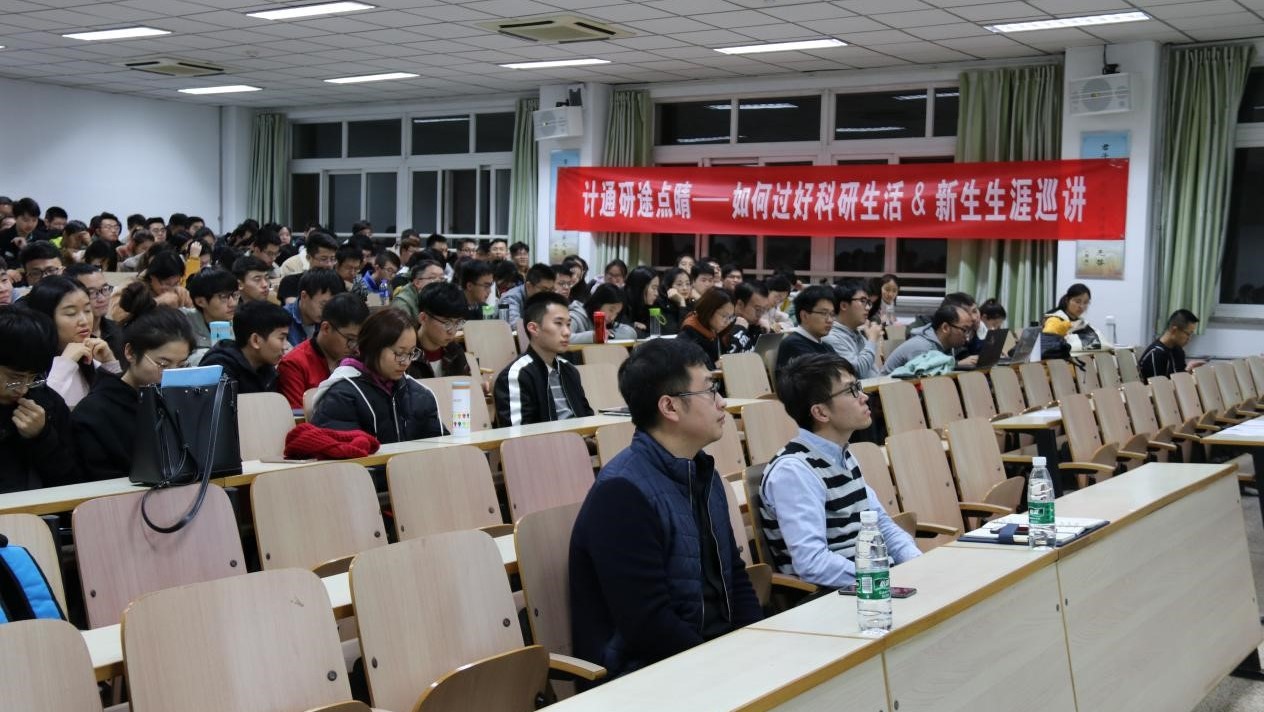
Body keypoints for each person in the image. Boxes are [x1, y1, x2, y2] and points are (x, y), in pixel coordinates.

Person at [569, 337, 761, 683]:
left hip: (709, 658)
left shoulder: (703, 472)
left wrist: (757, 647)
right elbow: (647, 624)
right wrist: (723, 668)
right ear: (670, 407)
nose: (722, 401)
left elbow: (734, 575)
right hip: (649, 675)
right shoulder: (622, 494)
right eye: (710, 390)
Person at [761, 353, 920, 587]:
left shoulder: (842, 455)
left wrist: (918, 565)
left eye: (858, 386)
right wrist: (882, 578)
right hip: (841, 594)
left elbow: (882, 525)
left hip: (874, 582)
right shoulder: (794, 471)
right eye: (851, 391)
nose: (864, 397)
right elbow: (813, 563)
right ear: (821, 413)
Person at [72, 302, 196, 480]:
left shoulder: (183, 398)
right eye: (163, 364)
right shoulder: (93, 413)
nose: (172, 375)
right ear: (130, 352)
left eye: (182, 365)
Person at [310, 307, 446, 443]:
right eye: (399, 353)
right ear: (373, 347)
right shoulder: (342, 396)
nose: (406, 362)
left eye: (411, 353)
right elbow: (342, 451)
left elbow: (442, 446)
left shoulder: (419, 394)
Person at [0, 307, 78, 492]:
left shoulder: (47, 403)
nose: (23, 388)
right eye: (14, 378)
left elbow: (72, 482)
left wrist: (42, 436)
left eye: (33, 378)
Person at [22, 276, 122, 409]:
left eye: (87, 310)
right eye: (71, 313)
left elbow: (121, 405)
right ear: (45, 317)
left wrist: (110, 363)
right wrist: (65, 363)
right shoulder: (27, 368)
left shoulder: (90, 358)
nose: (84, 321)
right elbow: (42, 411)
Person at [494, 292, 592, 427]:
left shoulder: (569, 370)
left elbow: (587, 417)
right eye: (558, 323)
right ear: (534, 328)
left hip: (580, 439)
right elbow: (518, 433)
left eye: (568, 324)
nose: (567, 332)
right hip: (545, 441)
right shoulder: (517, 374)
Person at [276, 293, 368, 409]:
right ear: (326, 328)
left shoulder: (358, 359)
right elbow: (298, 417)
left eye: (359, 341)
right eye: (350, 339)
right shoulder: (294, 364)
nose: (355, 348)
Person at [200, 300, 292, 394]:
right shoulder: (219, 369)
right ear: (255, 340)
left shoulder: (267, 369)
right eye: (281, 338)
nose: (286, 346)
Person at [881, 303, 972, 375]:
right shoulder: (922, 348)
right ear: (945, 328)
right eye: (964, 330)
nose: (967, 337)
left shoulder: (946, 347)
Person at [407, 282, 473, 380]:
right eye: (447, 323)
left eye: (457, 323)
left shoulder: (454, 351)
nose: (452, 331)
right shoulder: (406, 353)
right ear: (423, 318)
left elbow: (465, 384)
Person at [823, 278, 883, 380]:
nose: (868, 308)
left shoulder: (856, 333)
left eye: (868, 302)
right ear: (844, 305)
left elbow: (875, 372)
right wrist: (872, 340)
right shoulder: (831, 337)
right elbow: (857, 371)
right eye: (863, 301)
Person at [64, 263, 124, 362]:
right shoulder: (66, 338)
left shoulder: (119, 330)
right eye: (91, 292)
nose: (102, 298)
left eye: (105, 289)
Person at [183, 269, 240, 364]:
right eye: (223, 297)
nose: (233, 303)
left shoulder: (241, 323)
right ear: (200, 302)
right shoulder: (183, 322)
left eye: (235, 295)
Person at [774, 284, 836, 373]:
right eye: (824, 313)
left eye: (832, 314)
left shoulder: (827, 346)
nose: (830, 320)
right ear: (804, 316)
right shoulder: (793, 344)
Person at [676, 288, 735, 371]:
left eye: (731, 317)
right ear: (709, 311)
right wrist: (715, 366)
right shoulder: (688, 335)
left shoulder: (717, 332)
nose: (727, 322)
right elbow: (689, 371)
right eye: (724, 316)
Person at [284, 268, 345, 347]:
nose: (327, 312)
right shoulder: (282, 320)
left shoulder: (332, 320)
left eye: (332, 306)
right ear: (304, 296)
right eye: (323, 305)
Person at [1139, 309, 1204, 381]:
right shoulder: (1156, 354)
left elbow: (1179, 380)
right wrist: (1186, 372)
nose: (1189, 338)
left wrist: (1188, 371)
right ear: (1174, 330)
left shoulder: (1178, 351)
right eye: (1188, 334)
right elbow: (1159, 386)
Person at [1042, 283, 1107, 352]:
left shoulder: (1082, 323)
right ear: (1067, 300)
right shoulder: (1054, 320)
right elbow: (1049, 346)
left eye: (1085, 302)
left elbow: (1100, 341)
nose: (1081, 306)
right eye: (1077, 301)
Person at [569, 283, 637, 344]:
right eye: (611, 310)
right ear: (598, 303)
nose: (612, 317)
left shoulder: (608, 322)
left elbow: (631, 333)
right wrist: (593, 336)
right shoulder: (575, 316)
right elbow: (565, 337)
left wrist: (608, 335)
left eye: (616, 313)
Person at [940, 292, 983, 367]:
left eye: (975, 311)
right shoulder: (950, 333)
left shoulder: (971, 331)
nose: (974, 318)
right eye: (967, 314)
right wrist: (957, 364)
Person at [726, 281, 769, 353]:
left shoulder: (756, 325)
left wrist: (766, 334)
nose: (760, 315)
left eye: (763, 310)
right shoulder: (724, 325)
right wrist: (739, 330)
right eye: (758, 309)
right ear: (740, 305)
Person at [623, 266, 663, 338]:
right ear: (640, 287)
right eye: (654, 288)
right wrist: (632, 326)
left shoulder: (654, 304)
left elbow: (657, 334)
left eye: (657, 289)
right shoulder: (621, 304)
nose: (657, 293)